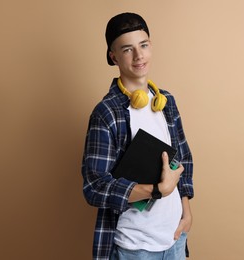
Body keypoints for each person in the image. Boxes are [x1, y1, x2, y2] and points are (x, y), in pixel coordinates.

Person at [81, 12, 194, 260]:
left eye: (143, 45)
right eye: (127, 49)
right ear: (113, 56)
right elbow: (95, 186)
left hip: (175, 238)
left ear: (150, 45)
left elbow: (183, 158)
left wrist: (186, 213)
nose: (139, 55)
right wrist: (157, 190)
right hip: (135, 247)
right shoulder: (106, 113)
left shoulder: (167, 102)